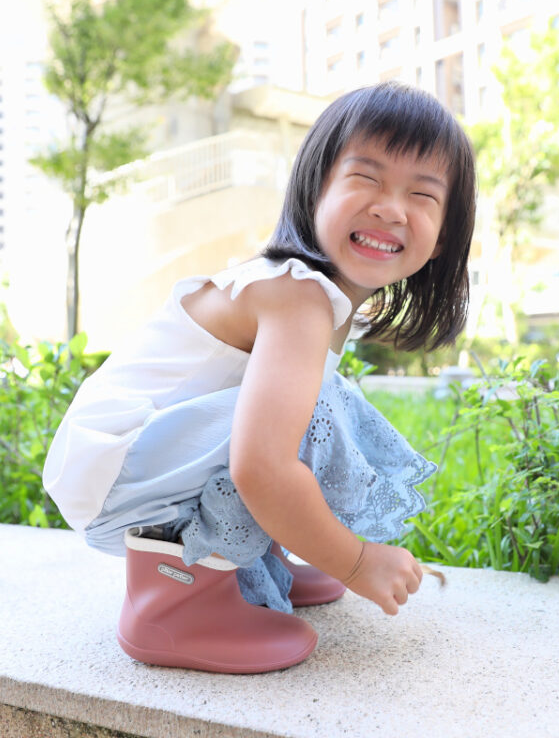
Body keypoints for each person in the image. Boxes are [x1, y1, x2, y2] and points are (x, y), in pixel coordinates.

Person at [42, 82, 477, 674]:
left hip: (129, 463)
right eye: (366, 178)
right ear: (315, 186)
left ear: (445, 234)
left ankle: (249, 564)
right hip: (116, 471)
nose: (390, 207)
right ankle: (171, 603)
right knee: (308, 416)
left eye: (422, 194)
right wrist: (356, 561)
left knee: (310, 406)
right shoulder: (296, 295)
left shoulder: (319, 300)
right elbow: (261, 466)